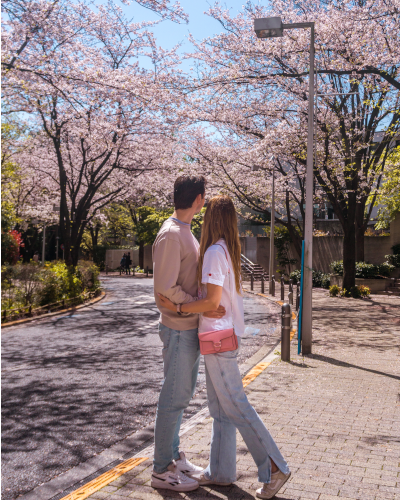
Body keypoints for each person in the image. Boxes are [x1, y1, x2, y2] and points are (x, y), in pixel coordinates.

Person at [158, 195, 291, 499]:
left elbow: (212, 302)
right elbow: (213, 303)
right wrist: (204, 307)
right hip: (218, 337)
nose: (202, 220)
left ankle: (274, 466)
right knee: (220, 408)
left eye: (206, 216)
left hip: (217, 341)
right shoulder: (224, 250)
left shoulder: (215, 253)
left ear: (212, 220)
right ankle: (220, 472)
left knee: (235, 405)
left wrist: (179, 308)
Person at [151, 176, 226, 493]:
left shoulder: (185, 232)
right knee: (173, 398)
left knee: (179, 397)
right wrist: (197, 306)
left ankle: (173, 458)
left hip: (187, 326)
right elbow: (164, 290)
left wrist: (198, 307)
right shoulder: (171, 235)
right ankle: (159, 470)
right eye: (204, 197)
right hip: (178, 328)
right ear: (198, 199)